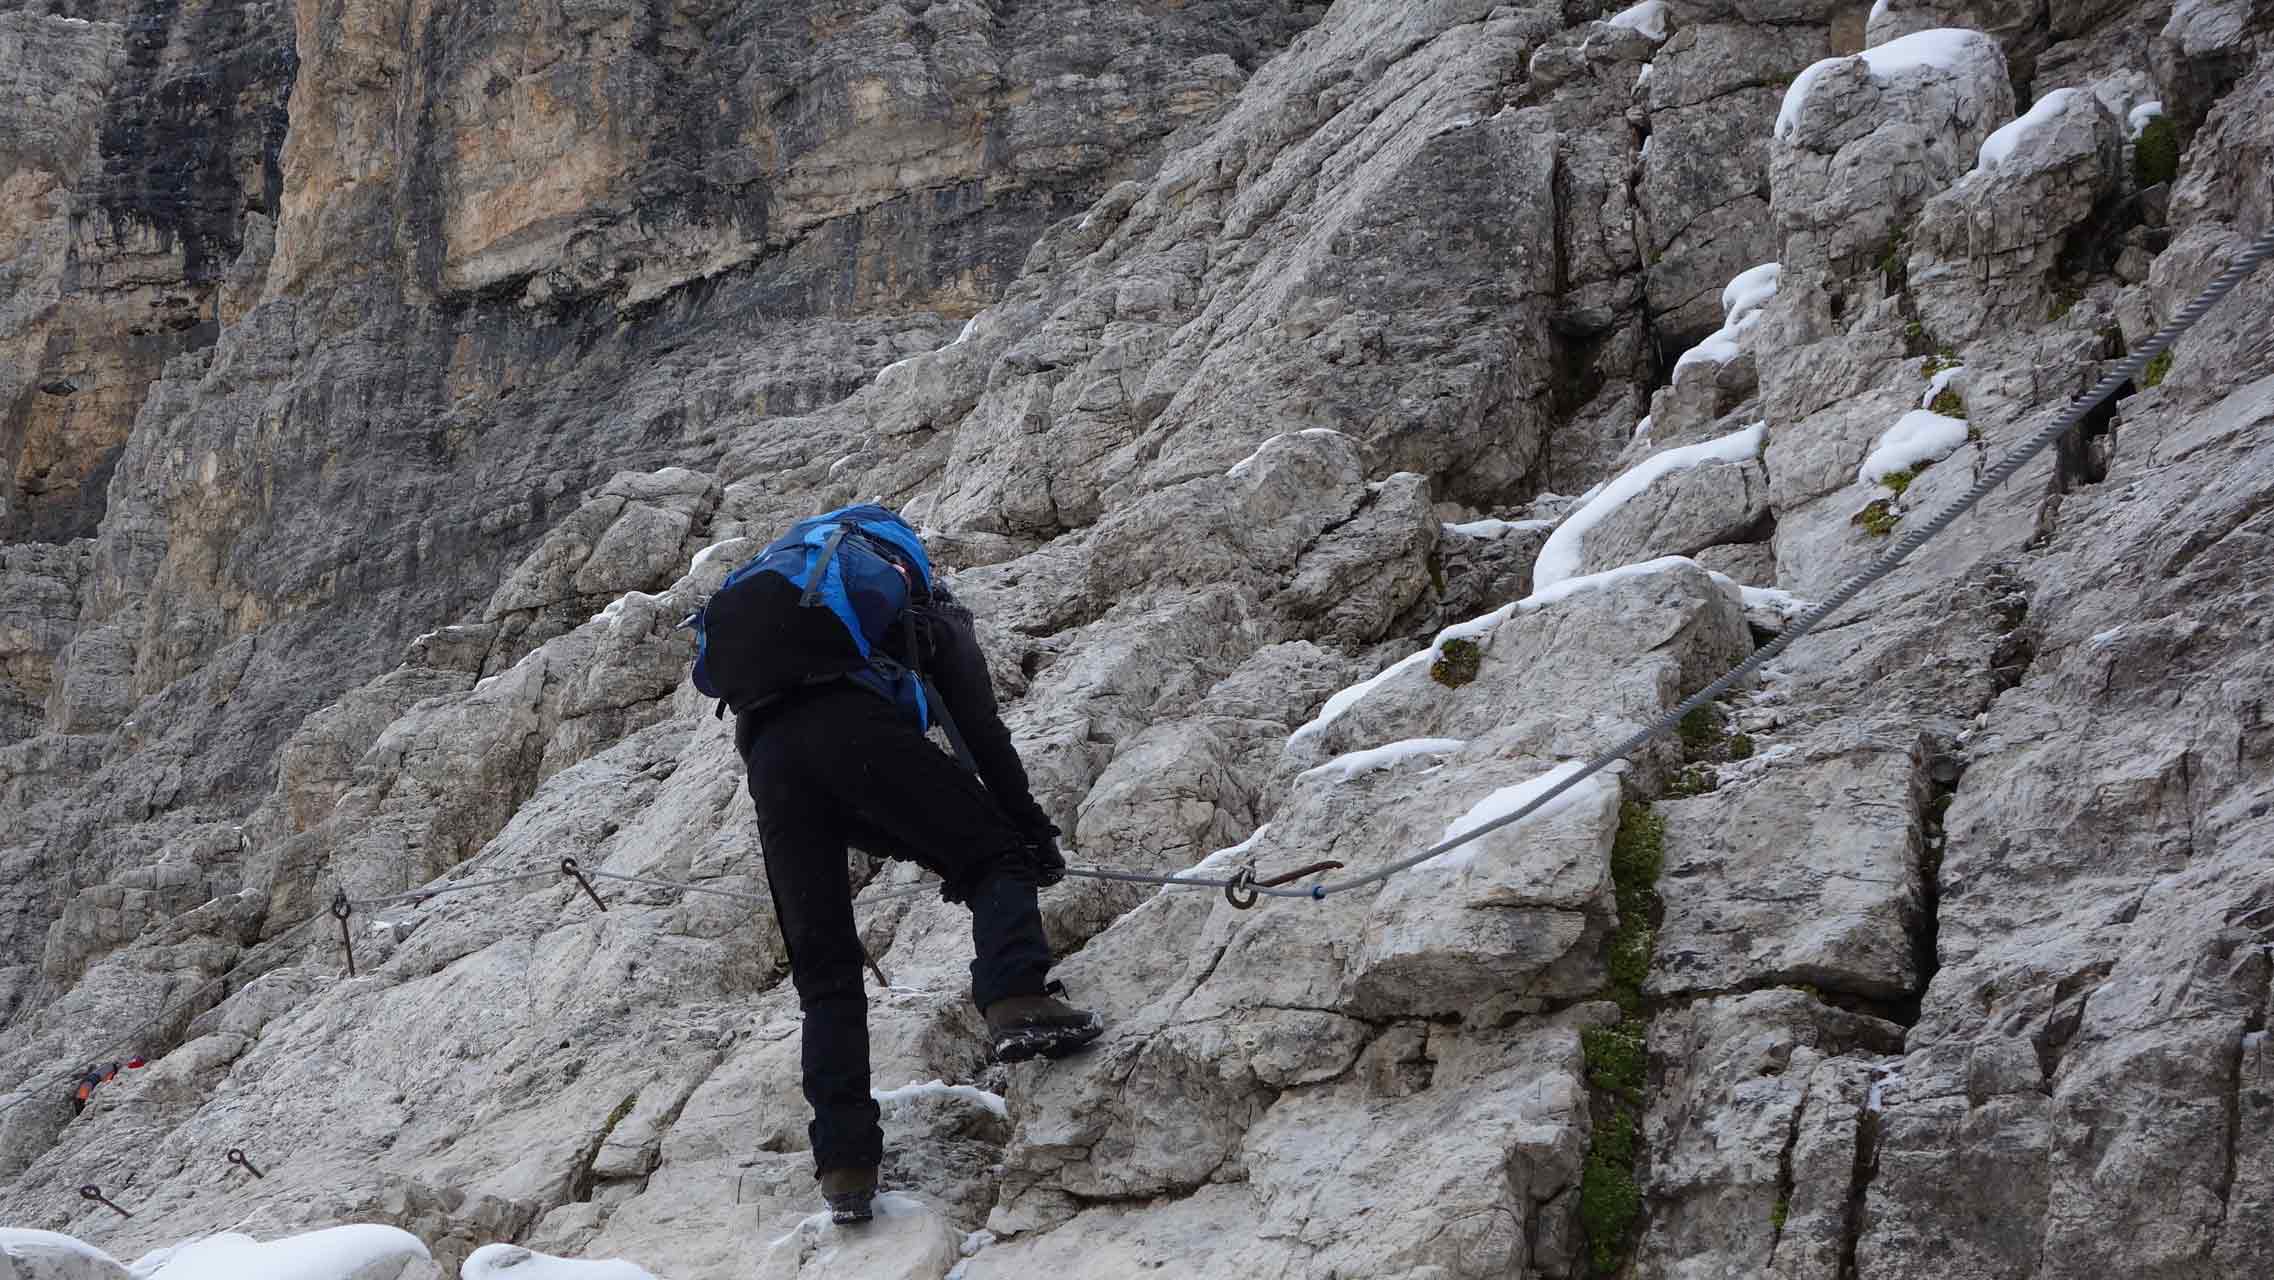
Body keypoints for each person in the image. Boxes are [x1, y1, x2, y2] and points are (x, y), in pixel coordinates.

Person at [731, 532, 1103, 1225]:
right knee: (993, 852)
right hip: (852, 733)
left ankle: (845, 1165)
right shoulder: (930, 611)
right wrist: (1032, 836)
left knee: (826, 971)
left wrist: (934, 842)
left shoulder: (781, 631)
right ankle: (1016, 997)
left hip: (771, 767)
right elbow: (981, 735)